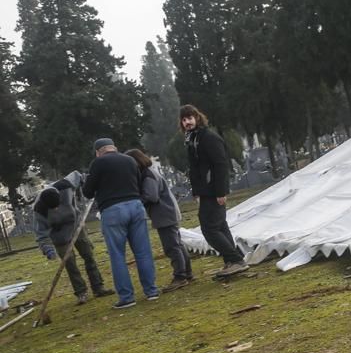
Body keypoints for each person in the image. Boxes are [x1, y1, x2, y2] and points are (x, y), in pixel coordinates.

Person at [81, 138, 159, 308]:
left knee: (117, 255)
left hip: (113, 210)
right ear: (114, 148)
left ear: (98, 151)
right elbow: (138, 182)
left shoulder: (98, 163)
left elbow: (88, 192)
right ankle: (151, 291)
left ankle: (127, 297)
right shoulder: (130, 160)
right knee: (143, 252)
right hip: (136, 206)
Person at [180, 104, 248, 277]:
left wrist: (220, 191)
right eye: (184, 119)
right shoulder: (192, 139)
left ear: (197, 117)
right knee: (220, 226)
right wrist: (196, 190)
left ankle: (236, 260)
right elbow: (195, 167)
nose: (187, 122)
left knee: (209, 229)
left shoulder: (208, 137)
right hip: (205, 191)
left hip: (213, 190)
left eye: (190, 118)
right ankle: (232, 261)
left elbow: (220, 164)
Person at [32, 172, 115, 305]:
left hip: (76, 226)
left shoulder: (65, 185)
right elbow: (41, 234)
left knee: (89, 256)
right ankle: (81, 293)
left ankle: (98, 288)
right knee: (70, 264)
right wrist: (48, 250)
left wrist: (86, 183)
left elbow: (78, 175)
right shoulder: (39, 210)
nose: (57, 208)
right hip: (59, 235)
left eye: (58, 205)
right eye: (54, 208)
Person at [126, 148, 193, 291]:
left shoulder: (148, 175)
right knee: (178, 244)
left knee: (172, 247)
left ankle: (180, 277)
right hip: (167, 212)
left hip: (164, 214)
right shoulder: (148, 173)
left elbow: (151, 196)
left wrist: (135, 201)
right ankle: (187, 273)